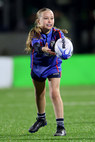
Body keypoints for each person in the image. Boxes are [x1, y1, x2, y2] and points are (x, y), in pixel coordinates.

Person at [25, 8, 67, 136]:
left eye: (52, 18)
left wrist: (65, 52)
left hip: (53, 66)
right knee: (39, 93)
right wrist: (43, 49)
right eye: (46, 18)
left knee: (54, 93)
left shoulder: (58, 34)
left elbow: (65, 46)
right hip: (38, 67)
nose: (50, 21)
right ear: (38, 21)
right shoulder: (34, 33)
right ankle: (41, 119)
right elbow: (36, 47)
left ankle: (61, 127)